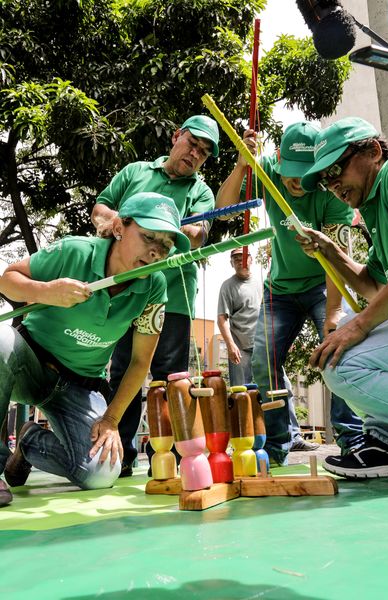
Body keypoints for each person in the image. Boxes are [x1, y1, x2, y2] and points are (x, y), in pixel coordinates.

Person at [0, 192, 190, 507]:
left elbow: (140, 362)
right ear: (119, 228)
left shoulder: (155, 286)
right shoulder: (74, 252)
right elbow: (7, 280)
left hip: (78, 385)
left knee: (100, 474)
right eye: (147, 237)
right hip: (28, 364)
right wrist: (47, 291)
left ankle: (30, 442)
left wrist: (112, 419)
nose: (156, 251)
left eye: (165, 245)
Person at [217, 121, 364, 466]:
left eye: (304, 174)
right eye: (289, 172)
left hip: (321, 284)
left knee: (340, 346)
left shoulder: (331, 192)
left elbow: (336, 260)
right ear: (279, 158)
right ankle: (277, 444)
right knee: (261, 361)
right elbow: (225, 209)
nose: (296, 182)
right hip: (279, 290)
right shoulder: (266, 169)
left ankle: (352, 438)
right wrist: (242, 164)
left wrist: (332, 316)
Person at [91, 115, 219, 476]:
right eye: (193, 143)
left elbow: (197, 233)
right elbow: (100, 209)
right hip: (125, 290)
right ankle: (121, 456)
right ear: (176, 136)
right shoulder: (134, 173)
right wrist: (127, 222)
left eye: (205, 152)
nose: (196, 154)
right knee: (122, 371)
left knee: (172, 376)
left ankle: (177, 458)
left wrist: (157, 227)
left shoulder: (201, 191)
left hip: (174, 295)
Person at [297, 116, 388, 479]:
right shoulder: (375, 210)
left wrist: (360, 326)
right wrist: (330, 251)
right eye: (325, 180)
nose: (332, 185)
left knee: (339, 359)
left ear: (373, 151)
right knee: (343, 333)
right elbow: (376, 286)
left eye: (336, 170)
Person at [217, 248, 262, 387]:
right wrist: (231, 346)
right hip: (239, 348)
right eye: (235, 259)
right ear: (231, 263)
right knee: (240, 392)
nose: (239, 261)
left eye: (242, 257)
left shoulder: (261, 283)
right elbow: (221, 319)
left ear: (251, 259)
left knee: (268, 389)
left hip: (261, 345)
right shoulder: (227, 286)